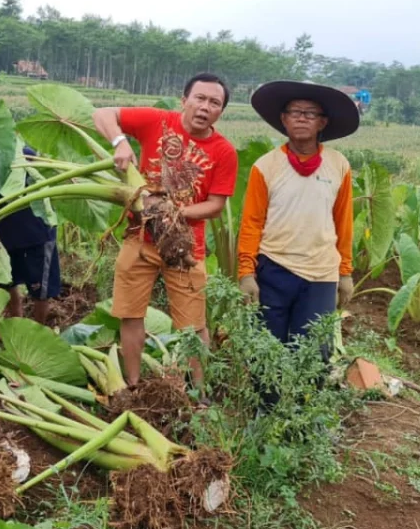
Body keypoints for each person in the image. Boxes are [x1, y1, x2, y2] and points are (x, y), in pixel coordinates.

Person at [92, 73, 239, 392]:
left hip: (185, 247)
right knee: (130, 315)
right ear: (183, 100)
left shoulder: (224, 151)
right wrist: (119, 142)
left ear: (221, 111)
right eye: (199, 98)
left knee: (194, 325)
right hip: (139, 238)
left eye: (214, 103)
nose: (205, 107)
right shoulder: (156, 122)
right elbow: (101, 114)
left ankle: (198, 393)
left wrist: (173, 213)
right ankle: (133, 387)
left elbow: (214, 204)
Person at [236, 80, 360, 362]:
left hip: (321, 273)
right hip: (274, 268)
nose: (302, 117)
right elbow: (252, 223)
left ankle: (304, 407)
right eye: (295, 112)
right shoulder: (265, 166)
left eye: (310, 113)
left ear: (322, 123)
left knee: (314, 353)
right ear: (283, 119)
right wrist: (246, 272)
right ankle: (267, 407)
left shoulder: (338, 165)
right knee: (266, 350)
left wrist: (345, 272)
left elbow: (344, 223)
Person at [0, 146, 62, 324]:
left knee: (40, 291)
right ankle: (16, 324)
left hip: (35, 236)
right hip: (5, 236)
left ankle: (38, 330)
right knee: (7, 284)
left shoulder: (24, 153)